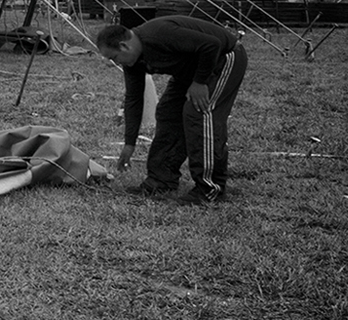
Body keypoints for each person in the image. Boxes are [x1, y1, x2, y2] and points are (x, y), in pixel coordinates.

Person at [94, 16, 247, 205]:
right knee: (168, 112)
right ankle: (160, 180)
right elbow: (134, 99)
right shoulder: (133, 61)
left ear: (124, 46)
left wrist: (199, 82)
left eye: (114, 58)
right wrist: (129, 143)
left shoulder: (159, 35)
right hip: (190, 70)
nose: (117, 63)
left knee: (199, 113)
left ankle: (210, 189)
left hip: (223, 58)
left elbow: (212, 44)